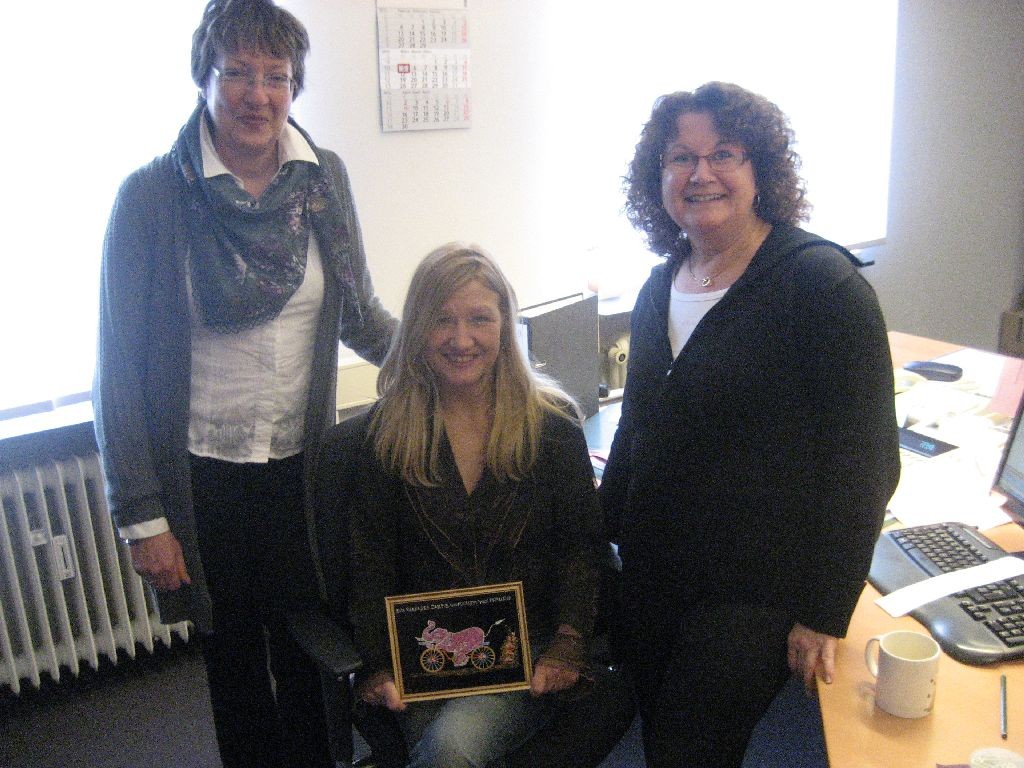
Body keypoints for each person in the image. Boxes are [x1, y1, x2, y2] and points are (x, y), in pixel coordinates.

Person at [92, 1, 397, 765]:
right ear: (204, 77)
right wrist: (143, 516)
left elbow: (358, 309)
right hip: (202, 478)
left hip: (300, 470)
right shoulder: (152, 197)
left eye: (277, 75)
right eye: (237, 72)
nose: (257, 94)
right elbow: (119, 366)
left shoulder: (322, 181)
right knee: (233, 665)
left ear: (295, 85)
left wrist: (456, 359)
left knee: (307, 652)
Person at [598, 82, 901, 767]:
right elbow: (637, 431)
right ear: (661, 178)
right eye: (681, 157)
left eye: (724, 154)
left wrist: (825, 610)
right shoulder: (659, 285)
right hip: (655, 574)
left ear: (760, 170)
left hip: (753, 590)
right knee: (659, 735)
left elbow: (867, 463)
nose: (701, 173)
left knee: (687, 750)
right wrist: (595, 544)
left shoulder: (821, 288)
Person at [325, 243, 606, 767]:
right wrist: (379, 667)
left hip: (523, 658)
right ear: (416, 330)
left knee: (453, 750)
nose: (461, 339)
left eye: (480, 319)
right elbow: (370, 565)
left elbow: (581, 552)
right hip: (424, 663)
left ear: (504, 326)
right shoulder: (387, 437)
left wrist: (568, 644)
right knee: (447, 752)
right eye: (442, 320)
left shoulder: (552, 429)